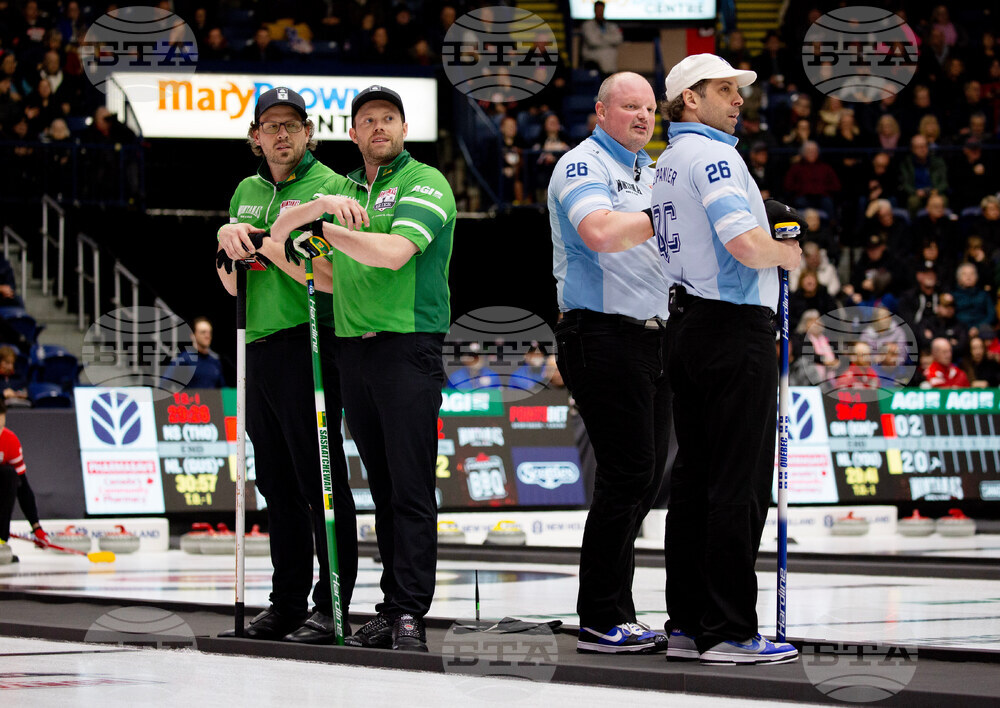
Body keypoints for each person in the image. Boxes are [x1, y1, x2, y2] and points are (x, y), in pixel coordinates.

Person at [270, 85, 455, 653]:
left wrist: (322, 228)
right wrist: (318, 210)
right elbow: (298, 250)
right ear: (352, 133)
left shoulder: (424, 181)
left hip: (407, 347)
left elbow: (394, 252)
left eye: (389, 119)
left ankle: (408, 614)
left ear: (404, 128)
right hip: (355, 350)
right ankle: (388, 607)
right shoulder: (345, 190)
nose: (379, 127)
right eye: (368, 120)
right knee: (382, 487)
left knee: (410, 487)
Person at [655, 54, 800, 665]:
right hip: (731, 325)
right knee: (736, 483)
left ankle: (689, 623)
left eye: (739, 90)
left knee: (695, 481)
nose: (738, 99)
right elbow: (743, 243)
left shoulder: (666, 160)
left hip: (686, 323)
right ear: (690, 98)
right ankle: (733, 630)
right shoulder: (716, 156)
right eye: (723, 90)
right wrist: (789, 255)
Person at [215, 87, 359, 644]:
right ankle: (287, 602)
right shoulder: (246, 190)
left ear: (307, 133)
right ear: (256, 138)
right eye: (270, 126)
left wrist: (277, 243)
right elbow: (231, 281)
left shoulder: (332, 188)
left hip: (311, 341)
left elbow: (331, 275)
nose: (281, 135)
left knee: (319, 481)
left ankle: (332, 606)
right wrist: (227, 245)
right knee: (275, 482)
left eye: (291, 126)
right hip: (259, 344)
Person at [547, 71, 670, 655]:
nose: (644, 117)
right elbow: (597, 231)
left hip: (656, 338)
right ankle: (599, 615)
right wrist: (668, 213)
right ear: (601, 111)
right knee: (627, 473)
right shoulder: (581, 165)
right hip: (600, 333)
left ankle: (615, 609)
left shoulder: (652, 170)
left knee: (645, 477)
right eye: (630, 107)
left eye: (649, 108)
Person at [0, 400, 47, 560]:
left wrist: (36, 527)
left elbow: (23, 488)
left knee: (9, 475)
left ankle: (0, 543)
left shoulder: (10, 441)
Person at [163, 316, 225, 389]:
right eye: (203, 332)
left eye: (209, 332)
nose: (207, 336)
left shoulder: (215, 362)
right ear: (193, 335)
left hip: (211, 399)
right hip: (190, 399)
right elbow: (164, 384)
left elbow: (223, 389)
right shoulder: (184, 360)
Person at [580, 1, 622, 76]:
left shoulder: (611, 26)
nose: (600, 12)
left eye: (601, 10)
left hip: (610, 65)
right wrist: (610, 40)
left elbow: (618, 39)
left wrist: (601, 37)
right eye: (598, 10)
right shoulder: (587, 25)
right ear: (594, 10)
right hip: (593, 62)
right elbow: (593, 41)